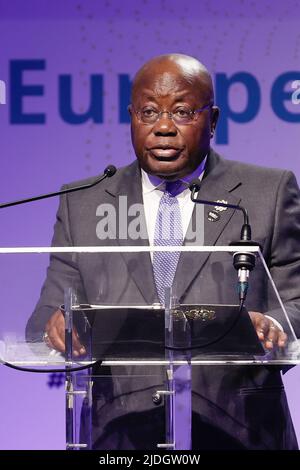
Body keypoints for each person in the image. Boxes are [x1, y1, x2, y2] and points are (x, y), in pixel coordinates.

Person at [26, 54, 300, 450]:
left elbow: (296, 299)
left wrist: (273, 324)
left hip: (241, 430)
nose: (164, 128)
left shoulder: (266, 192)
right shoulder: (82, 203)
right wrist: (58, 326)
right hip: (119, 435)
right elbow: (43, 318)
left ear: (214, 120)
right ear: (131, 117)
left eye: (183, 112)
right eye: (149, 112)